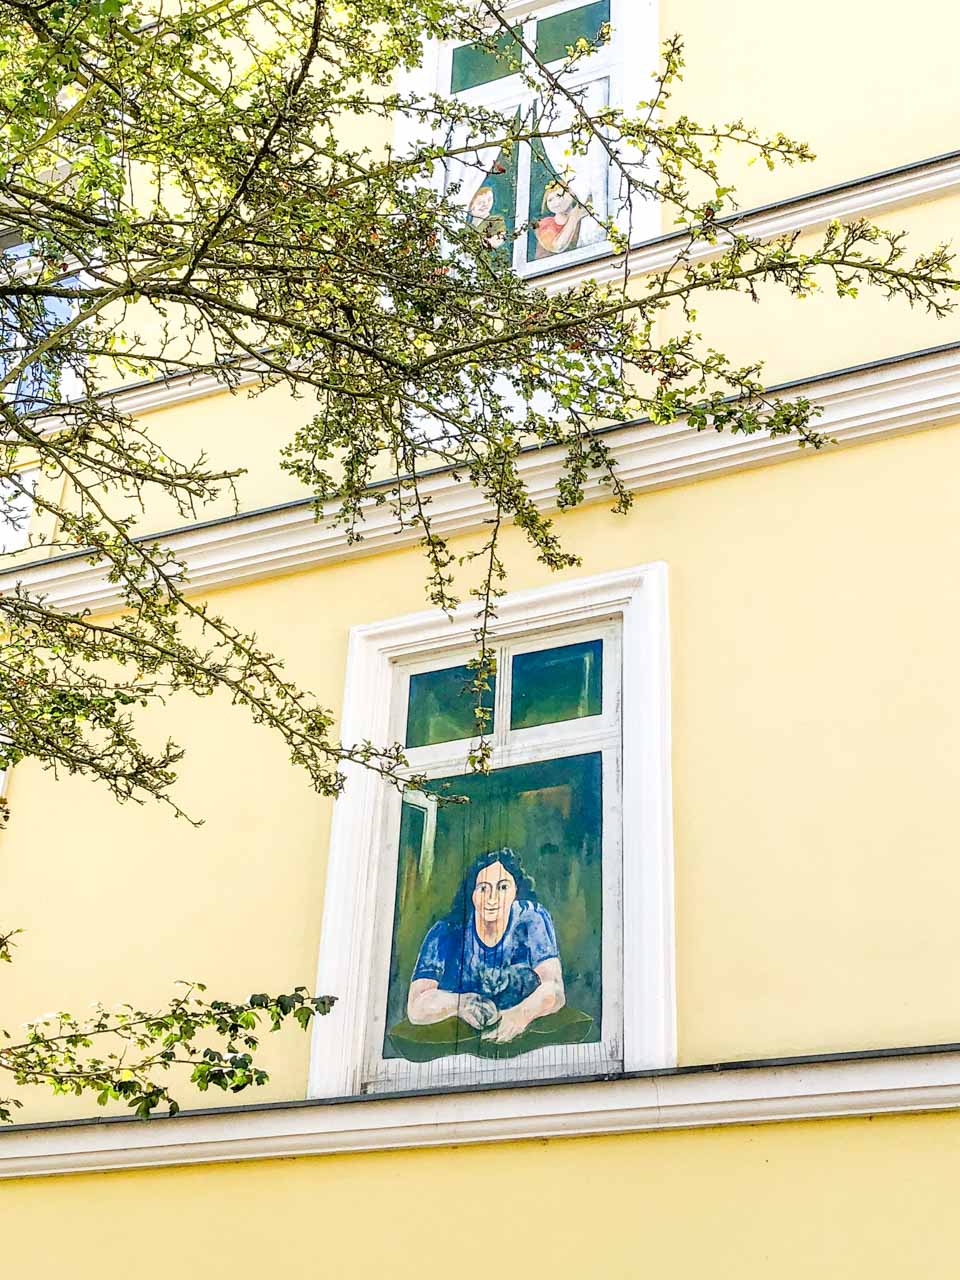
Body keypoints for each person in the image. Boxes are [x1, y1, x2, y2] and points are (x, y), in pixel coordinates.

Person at [406, 847, 565, 1045]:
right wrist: (461, 1004)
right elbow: (416, 1006)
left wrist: (519, 1015)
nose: (491, 899)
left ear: (516, 891)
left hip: (524, 1038)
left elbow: (555, 989)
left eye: (503, 887)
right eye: (483, 888)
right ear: (472, 894)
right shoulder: (446, 932)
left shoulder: (532, 920)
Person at [533, 181, 588, 258]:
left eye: (559, 195)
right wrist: (574, 217)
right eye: (550, 200)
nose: (556, 203)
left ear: (571, 193)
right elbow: (558, 246)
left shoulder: (582, 215)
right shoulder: (545, 224)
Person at [467, 185, 507, 250]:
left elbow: (497, 241)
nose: (486, 205)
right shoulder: (465, 226)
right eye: (480, 202)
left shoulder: (496, 220)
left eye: (489, 200)